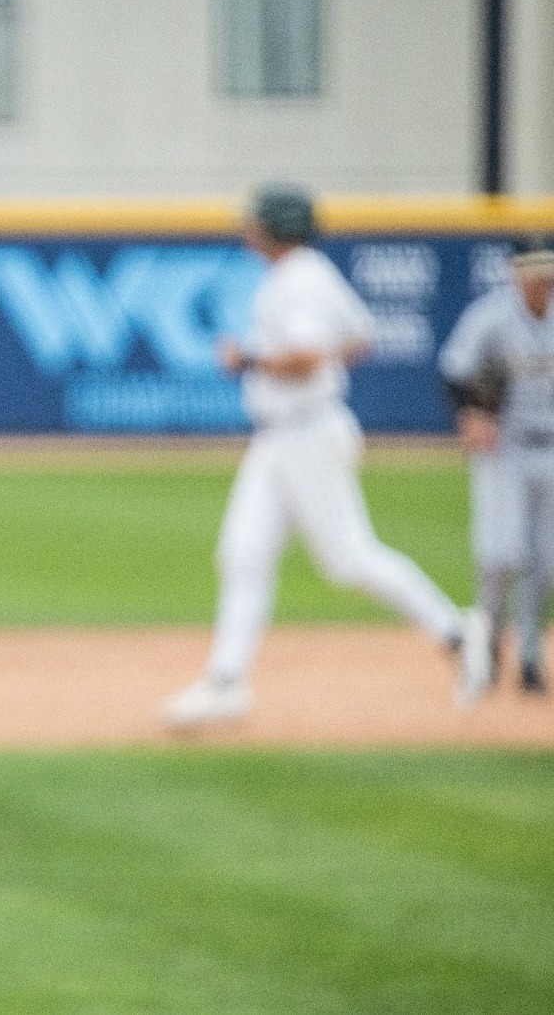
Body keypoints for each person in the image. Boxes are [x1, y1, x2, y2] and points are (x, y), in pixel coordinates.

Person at [163, 186, 483, 727]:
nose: (247, 229)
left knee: (349, 559)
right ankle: (225, 682)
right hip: (280, 437)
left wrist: (248, 359)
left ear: (278, 228)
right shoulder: (305, 273)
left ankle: (456, 629)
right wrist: (313, 360)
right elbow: (360, 337)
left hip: (306, 433)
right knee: (244, 554)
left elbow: (311, 357)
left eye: (257, 222)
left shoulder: (302, 281)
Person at [437, 234, 554, 695]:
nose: (544, 280)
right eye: (536, 271)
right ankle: (486, 648)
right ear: (517, 273)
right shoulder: (491, 318)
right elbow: (454, 371)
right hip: (505, 448)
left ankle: (530, 657)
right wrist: (470, 415)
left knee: (546, 561)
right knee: (500, 555)